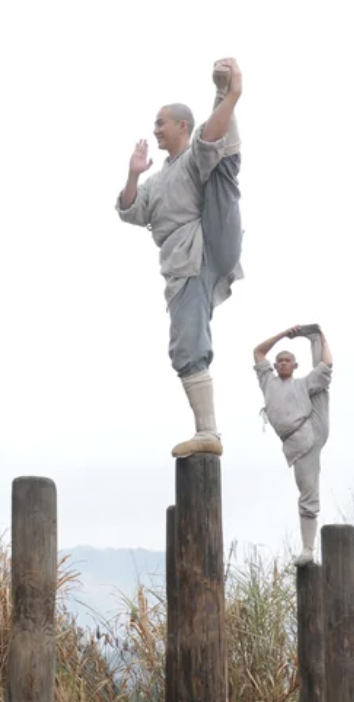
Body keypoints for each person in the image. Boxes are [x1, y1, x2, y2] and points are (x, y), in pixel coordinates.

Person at [116, 58, 244, 457]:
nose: (155, 130)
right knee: (183, 342)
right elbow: (130, 211)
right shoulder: (157, 180)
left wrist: (229, 94)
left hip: (195, 251)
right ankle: (206, 430)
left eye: (161, 123)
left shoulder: (194, 159)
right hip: (174, 262)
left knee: (187, 344)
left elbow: (213, 138)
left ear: (182, 127)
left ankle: (208, 431)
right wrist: (135, 174)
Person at [253, 324, 332, 565]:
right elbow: (258, 352)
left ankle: (308, 548)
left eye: (288, 360)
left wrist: (322, 336)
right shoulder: (268, 381)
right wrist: (283, 333)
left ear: (295, 366)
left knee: (321, 382)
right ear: (276, 366)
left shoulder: (301, 383)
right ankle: (313, 337)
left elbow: (327, 365)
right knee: (320, 385)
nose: (284, 363)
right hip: (294, 440)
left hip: (310, 430)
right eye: (281, 360)